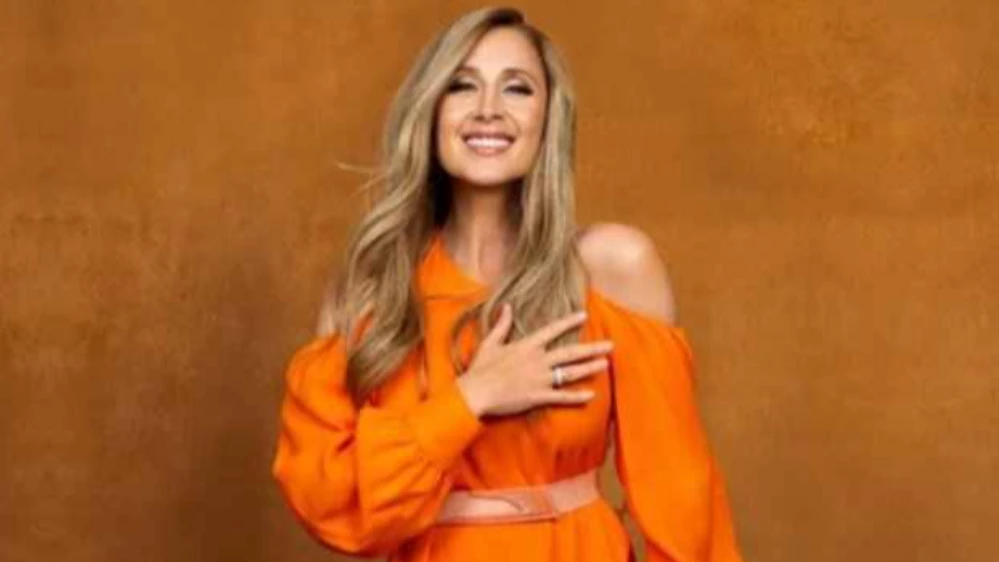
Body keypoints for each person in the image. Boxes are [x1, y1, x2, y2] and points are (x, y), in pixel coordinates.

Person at [271, 6, 746, 562]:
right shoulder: (372, 288)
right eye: (462, 86)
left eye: (517, 88)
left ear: (549, 118)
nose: (488, 110)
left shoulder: (612, 268)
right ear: (431, 110)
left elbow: (684, 504)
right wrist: (473, 397)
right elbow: (331, 502)